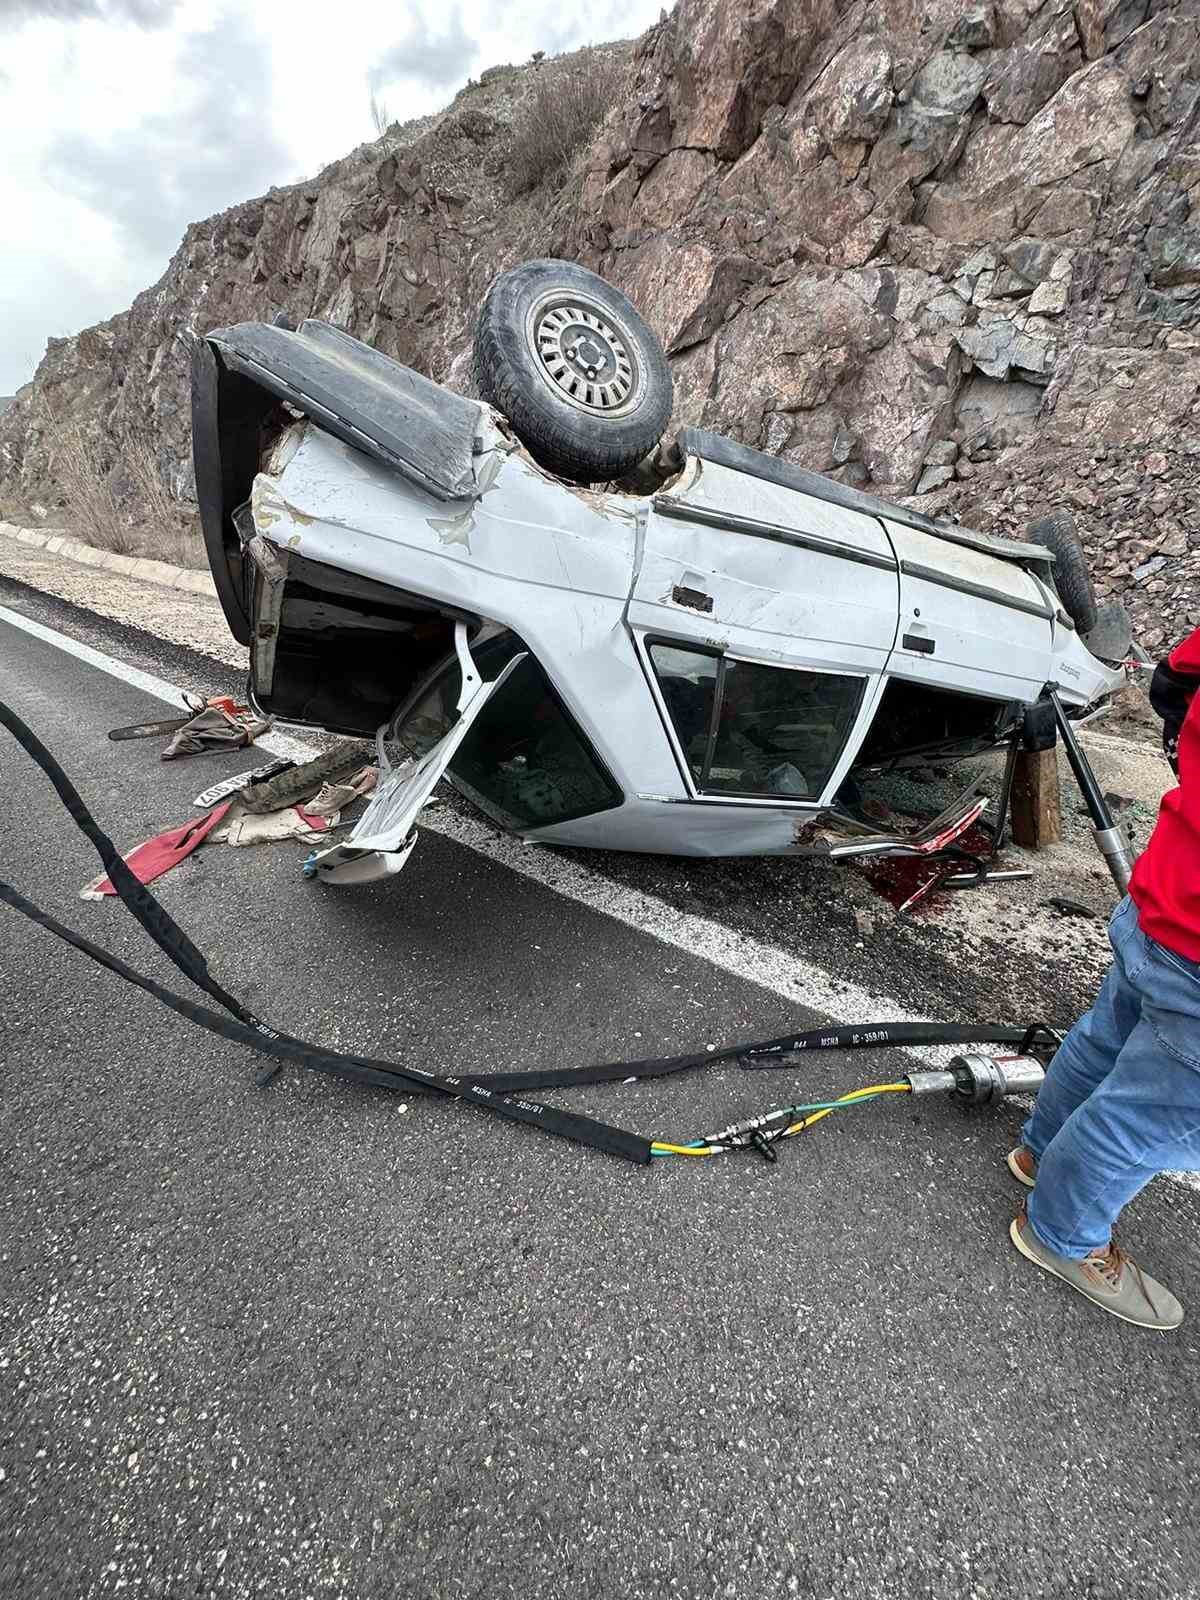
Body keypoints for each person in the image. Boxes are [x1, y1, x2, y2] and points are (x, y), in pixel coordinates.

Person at [1007, 627, 1200, 1330]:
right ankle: (1061, 1234)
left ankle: (1040, 1153)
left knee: (1102, 1043)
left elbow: (1175, 675)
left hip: (1164, 895)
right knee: (1151, 1119)